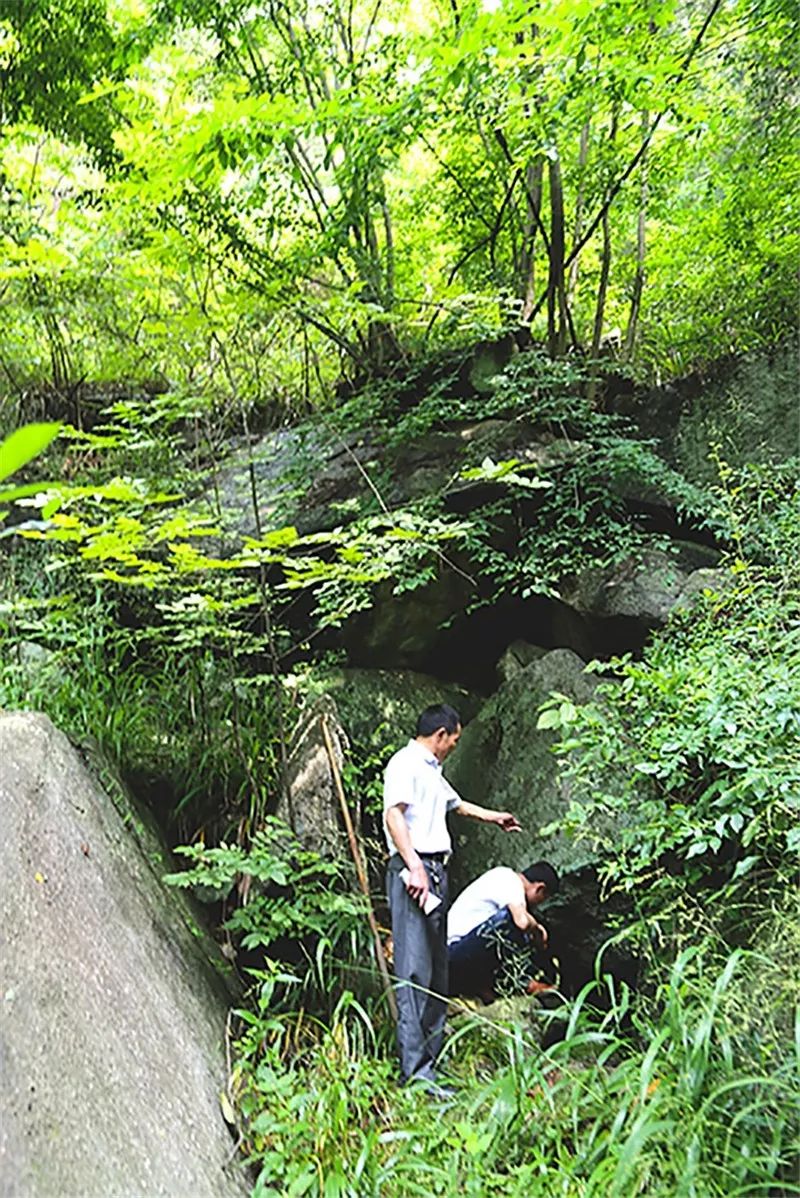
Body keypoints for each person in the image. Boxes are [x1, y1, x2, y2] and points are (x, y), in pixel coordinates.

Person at [384, 703, 521, 1090]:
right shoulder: (405, 764)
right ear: (440, 735)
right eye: (454, 741)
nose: (454, 748)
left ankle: (430, 1064)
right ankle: (415, 1074)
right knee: (413, 971)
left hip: (435, 873)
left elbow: (456, 805)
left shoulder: (431, 771)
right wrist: (413, 867)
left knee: (435, 971)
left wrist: (496, 817)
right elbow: (395, 816)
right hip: (415, 872)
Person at [447, 861, 559, 1002]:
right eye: (542, 899)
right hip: (453, 955)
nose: (538, 904)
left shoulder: (502, 880)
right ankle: (524, 983)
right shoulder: (510, 879)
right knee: (510, 923)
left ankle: (485, 989)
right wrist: (538, 930)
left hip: (456, 961)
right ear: (539, 889)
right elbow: (522, 922)